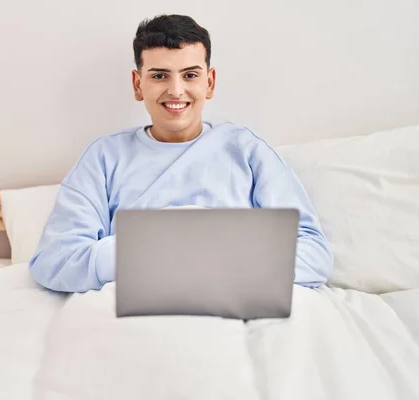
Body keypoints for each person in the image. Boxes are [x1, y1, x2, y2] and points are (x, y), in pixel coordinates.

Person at [29, 14, 333, 293]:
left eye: (190, 75)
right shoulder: (103, 158)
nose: (176, 90)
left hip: (232, 314)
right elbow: (54, 260)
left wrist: (217, 260)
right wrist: (143, 252)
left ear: (209, 82)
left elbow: (313, 253)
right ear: (138, 85)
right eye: (160, 76)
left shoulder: (248, 152)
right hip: (133, 317)